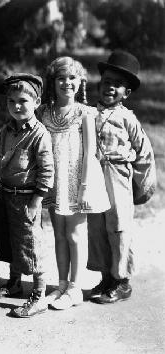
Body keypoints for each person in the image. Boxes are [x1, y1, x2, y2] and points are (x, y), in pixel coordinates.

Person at [38, 57, 111, 310]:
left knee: (75, 234)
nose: (66, 82)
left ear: (80, 82)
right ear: (53, 82)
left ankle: (75, 288)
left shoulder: (85, 113)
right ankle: (60, 285)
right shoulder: (45, 112)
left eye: (72, 77)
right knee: (58, 234)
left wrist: (85, 186)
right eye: (61, 77)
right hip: (54, 179)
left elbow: (90, 153)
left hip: (78, 180)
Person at [87, 50, 155, 304]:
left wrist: (141, 186)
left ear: (127, 93)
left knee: (118, 225)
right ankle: (106, 276)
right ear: (99, 85)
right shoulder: (88, 114)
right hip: (94, 175)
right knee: (97, 225)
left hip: (118, 174)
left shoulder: (128, 119)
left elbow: (144, 153)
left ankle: (121, 279)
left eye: (118, 85)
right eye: (106, 82)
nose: (110, 88)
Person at [0, 73, 54, 317]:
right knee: (10, 241)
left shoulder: (39, 134)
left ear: (36, 102)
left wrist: (36, 202)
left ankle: (38, 295)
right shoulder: (5, 131)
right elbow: (0, 162)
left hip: (28, 198)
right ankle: (14, 283)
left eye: (23, 101)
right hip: (6, 194)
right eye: (11, 102)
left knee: (31, 244)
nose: (17, 106)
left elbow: (47, 171)